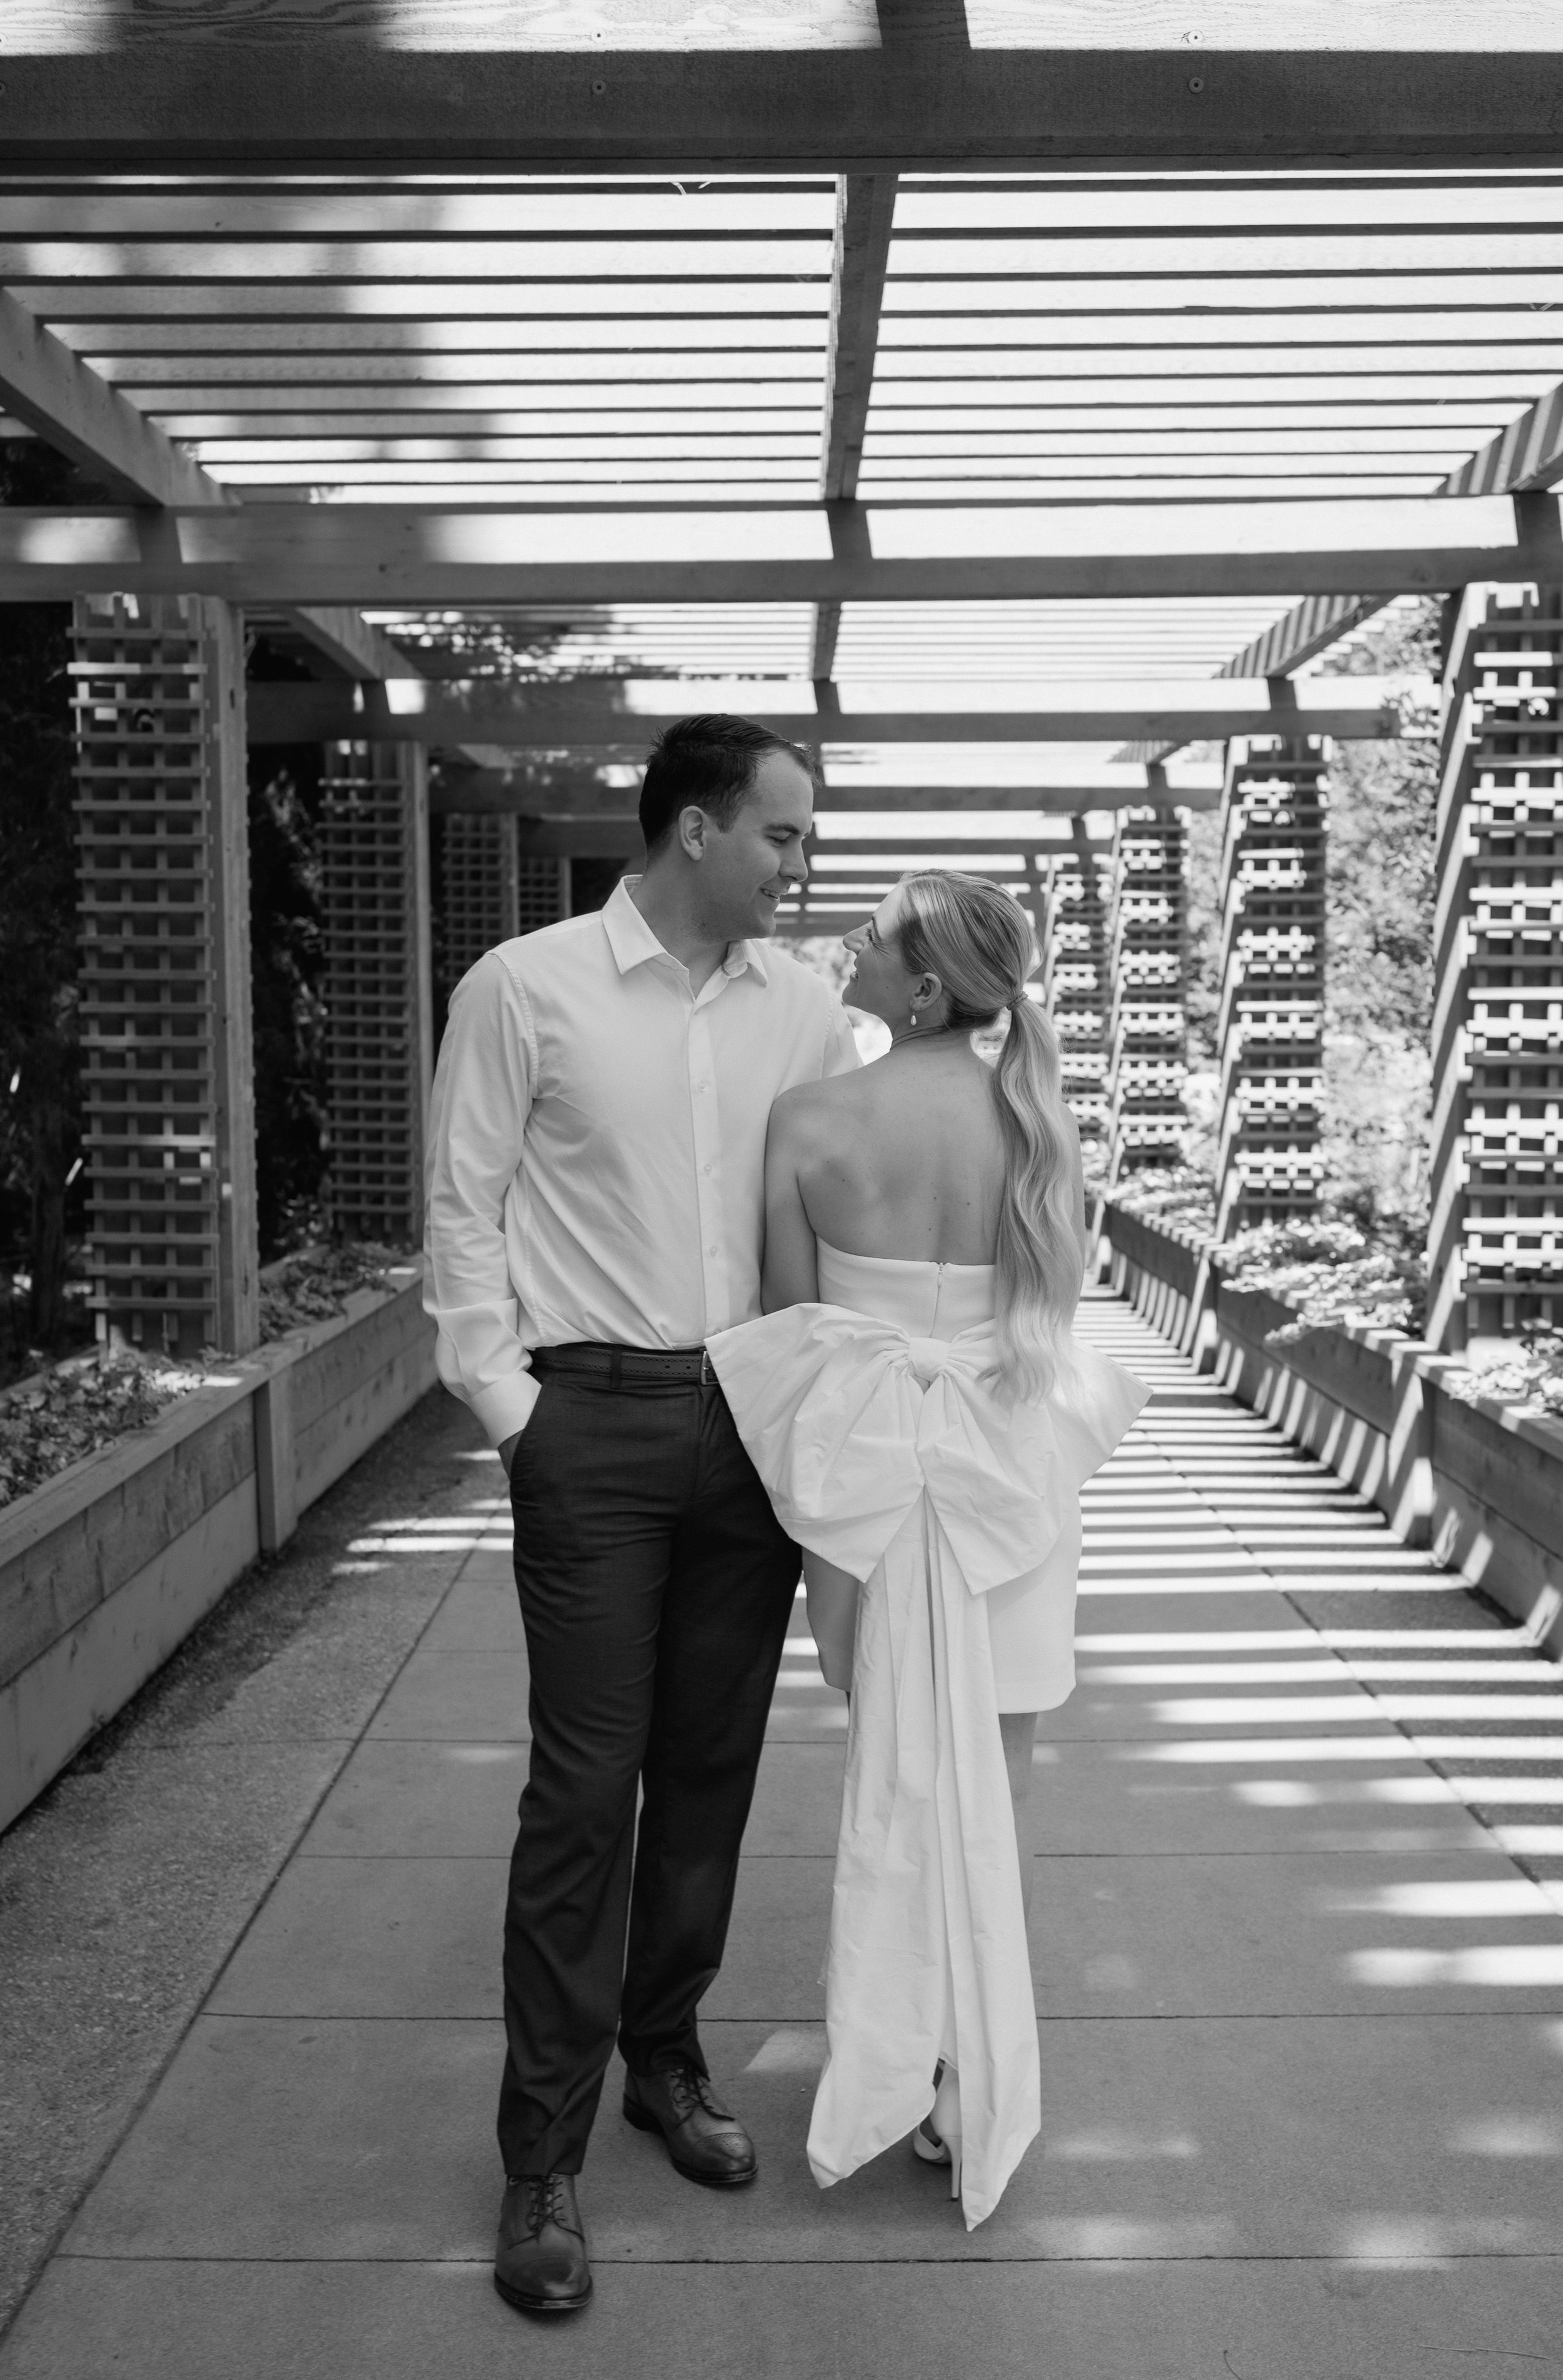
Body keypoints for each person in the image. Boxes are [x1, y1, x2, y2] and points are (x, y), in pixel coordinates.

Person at [422, 715, 858, 2316]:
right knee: (583, 1789)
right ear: (695, 829)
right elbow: (461, 1205)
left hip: (748, 1427)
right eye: (783, 834)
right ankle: (539, 2156)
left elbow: (845, 1201)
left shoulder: (803, 1009)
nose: (799, 863)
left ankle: (662, 2057)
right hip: (588, 1425)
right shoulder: (522, 987)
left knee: (708, 1770)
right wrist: (512, 1413)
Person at [706, 870, 1147, 2228]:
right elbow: (1048, 1309)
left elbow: (798, 1336)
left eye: (875, 935)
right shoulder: (1038, 1124)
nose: (848, 942)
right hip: (1009, 1476)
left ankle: (895, 2052)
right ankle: (963, 2082)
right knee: (996, 1790)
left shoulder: (808, 1121)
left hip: (876, 1486)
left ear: (922, 986)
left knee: (899, 1775)